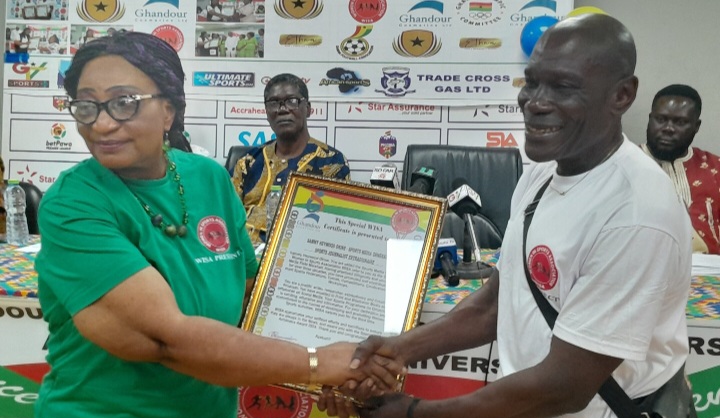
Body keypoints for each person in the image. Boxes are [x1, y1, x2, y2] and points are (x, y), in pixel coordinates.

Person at [323, 13, 694, 418]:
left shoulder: (637, 213)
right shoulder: (541, 173)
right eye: (532, 82)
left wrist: (415, 413)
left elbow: (565, 387)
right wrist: (399, 349)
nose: (535, 102)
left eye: (563, 87)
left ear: (621, 95)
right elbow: (495, 304)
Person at [34, 31, 401, 418]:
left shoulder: (208, 177)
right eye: (87, 106)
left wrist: (342, 367)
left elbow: (251, 295)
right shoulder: (71, 204)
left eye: (124, 102)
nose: (102, 123)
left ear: (169, 110)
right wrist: (318, 363)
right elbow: (166, 340)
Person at [231, 73, 351, 245]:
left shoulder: (331, 162)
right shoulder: (248, 161)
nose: (282, 109)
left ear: (308, 109)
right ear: (266, 112)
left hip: (298, 254)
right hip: (244, 253)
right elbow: (227, 215)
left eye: (292, 101)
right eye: (274, 103)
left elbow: (335, 230)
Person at [641, 84, 720, 254]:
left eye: (680, 122)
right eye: (661, 119)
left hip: (710, 266)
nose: (668, 129)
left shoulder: (715, 168)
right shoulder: (624, 164)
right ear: (650, 119)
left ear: (696, 126)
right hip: (644, 263)